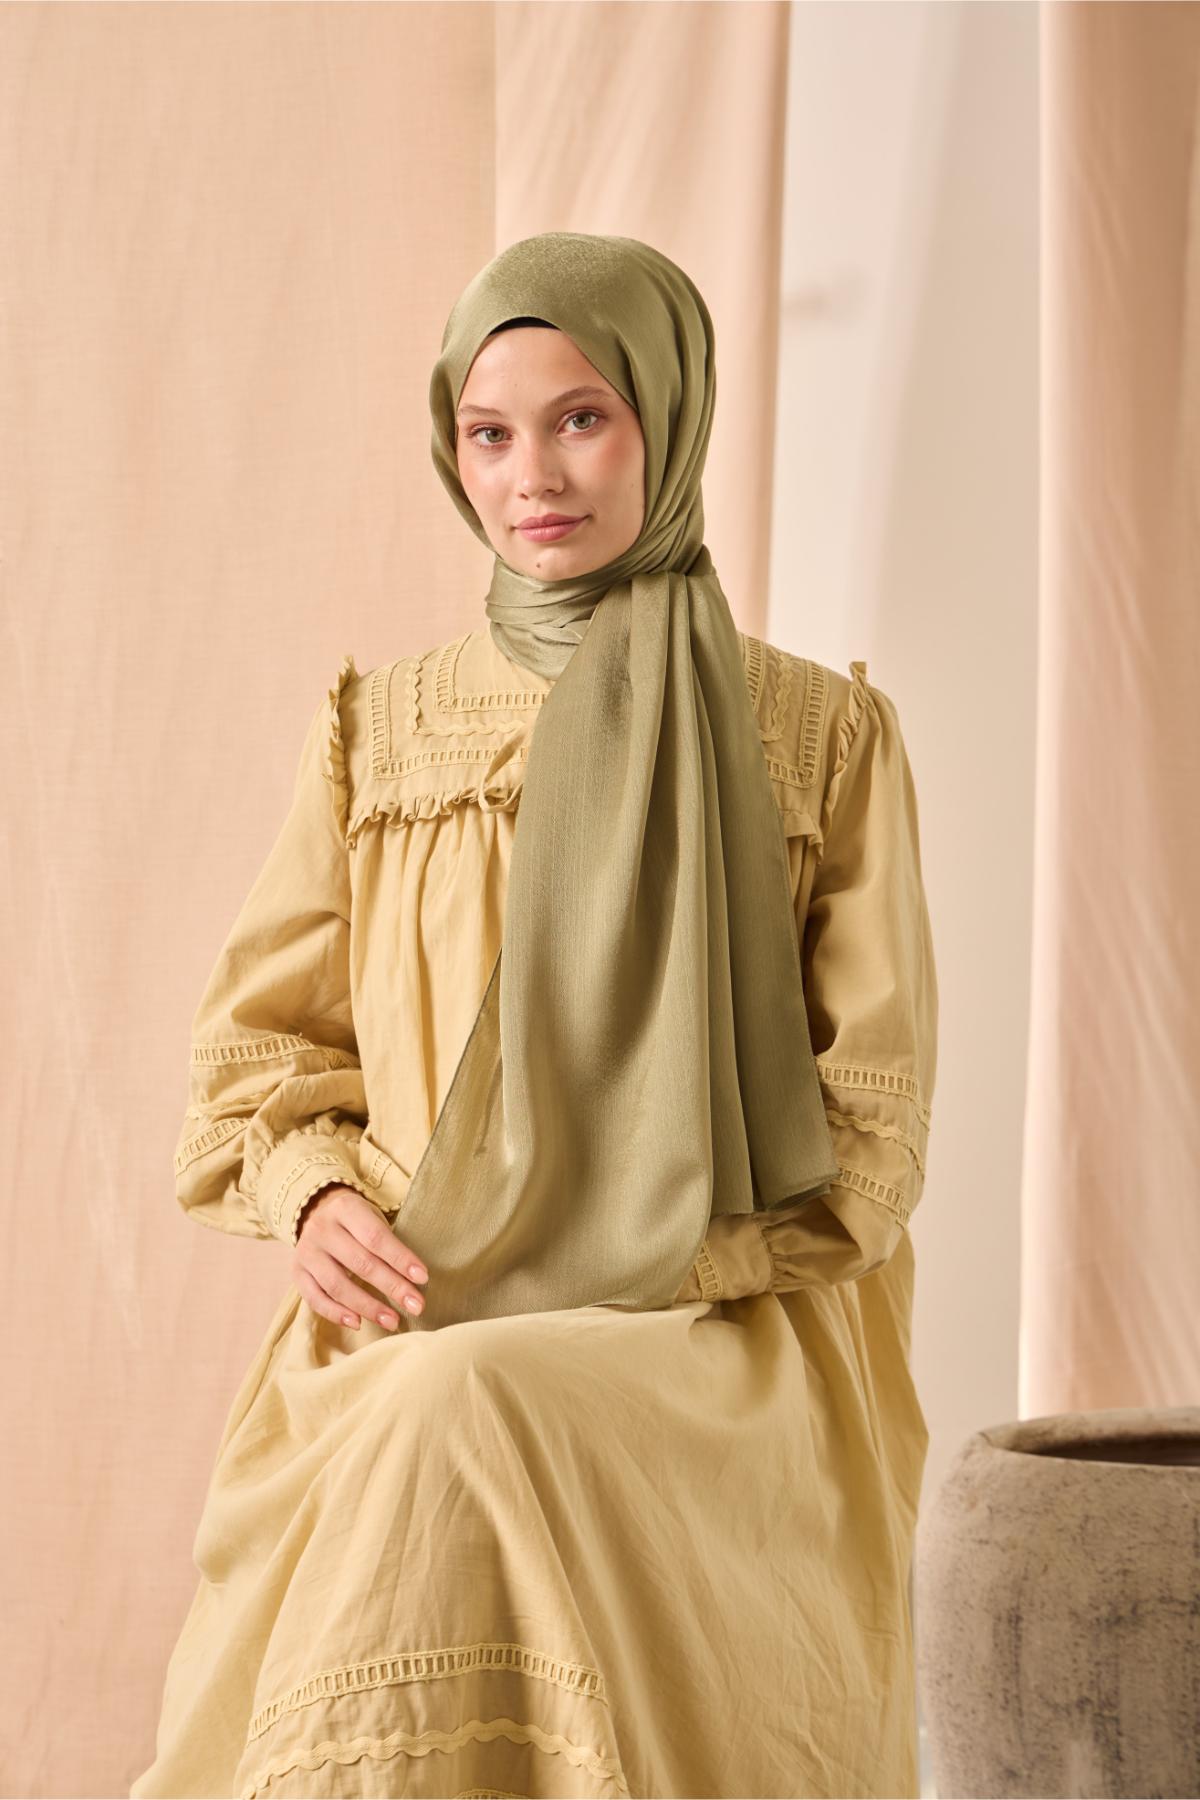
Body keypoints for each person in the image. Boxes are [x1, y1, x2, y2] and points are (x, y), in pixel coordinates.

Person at [130, 231, 938, 1800]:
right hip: (423, 1306)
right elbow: (261, 1060)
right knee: (441, 1394)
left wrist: (636, 1251)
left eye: (583, 418)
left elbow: (872, 1136)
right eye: (488, 434)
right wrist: (313, 1196)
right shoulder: (378, 733)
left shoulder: (823, 737)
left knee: (464, 1401)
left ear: (670, 418)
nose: (532, 477)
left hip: (717, 1327)